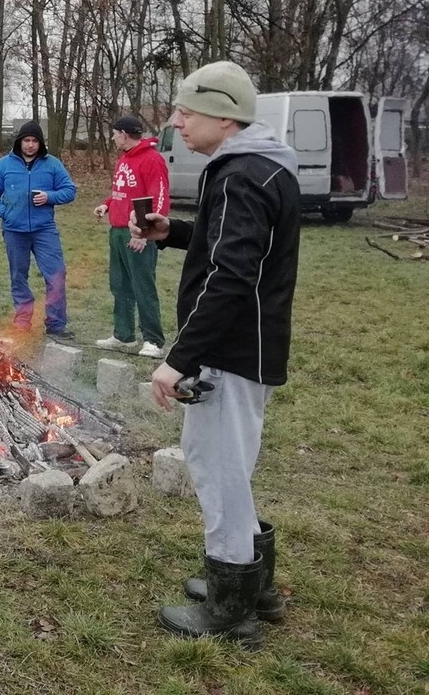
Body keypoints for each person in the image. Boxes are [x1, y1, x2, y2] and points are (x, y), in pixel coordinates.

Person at [133, 60, 299, 647]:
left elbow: (231, 277)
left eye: (186, 112)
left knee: (217, 466)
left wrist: (180, 358)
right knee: (232, 463)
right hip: (249, 345)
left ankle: (231, 610)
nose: (176, 123)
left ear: (225, 118)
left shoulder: (240, 177)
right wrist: (174, 232)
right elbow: (229, 241)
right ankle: (255, 585)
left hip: (231, 351)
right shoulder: (261, 166)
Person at [0, 120, 77, 339]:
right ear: (19, 142)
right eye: (26, 140)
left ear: (40, 143)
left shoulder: (52, 164)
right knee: (18, 276)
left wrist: (49, 197)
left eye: (35, 141)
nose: (30, 145)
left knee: (56, 274)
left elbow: (69, 190)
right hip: (14, 231)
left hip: (44, 230)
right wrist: (5, 212)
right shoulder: (4, 165)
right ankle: (23, 322)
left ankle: (56, 325)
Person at [92, 115, 171, 358]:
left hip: (137, 233)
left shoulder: (152, 159)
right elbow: (122, 190)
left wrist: (145, 233)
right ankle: (123, 335)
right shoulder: (124, 159)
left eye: (115, 134)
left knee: (142, 285)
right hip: (117, 231)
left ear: (124, 134)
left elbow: (159, 198)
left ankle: (153, 340)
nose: (113, 138)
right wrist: (107, 205)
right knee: (120, 285)